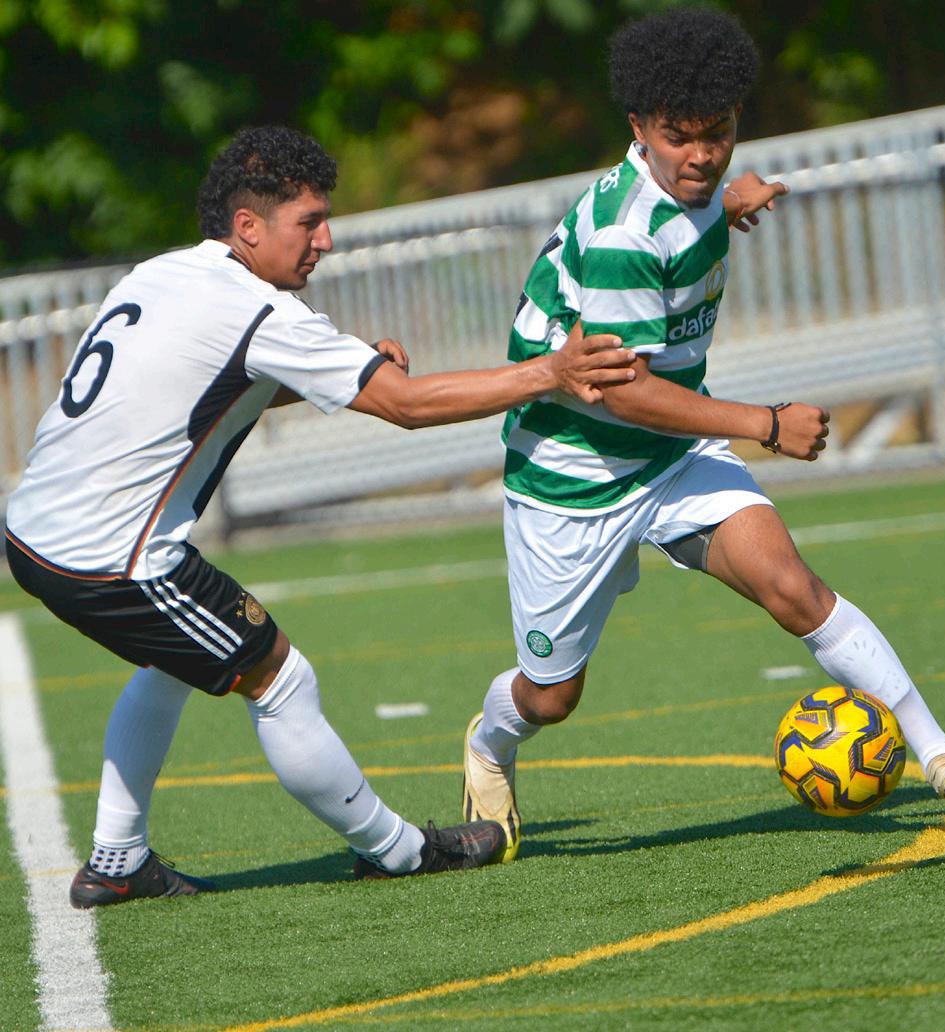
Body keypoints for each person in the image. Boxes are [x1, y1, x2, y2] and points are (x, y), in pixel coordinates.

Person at [3, 125, 637, 906]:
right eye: (309, 222)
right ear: (248, 226)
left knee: (173, 664)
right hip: (109, 559)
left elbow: (213, 381)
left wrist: (347, 371)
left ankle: (118, 860)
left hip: (34, 531)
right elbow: (406, 407)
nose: (326, 241)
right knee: (279, 675)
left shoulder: (162, 274)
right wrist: (551, 371)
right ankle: (401, 852)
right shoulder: (260, 311)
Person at [461, 6, 945, 863]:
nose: (702, 155)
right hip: (573, 476)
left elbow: (709, 202)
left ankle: (942, 757)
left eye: (717, 134)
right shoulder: (625, 235)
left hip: (675, 456)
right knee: (552, 697)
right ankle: (490, 743)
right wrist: (766, 425)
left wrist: (735, 197)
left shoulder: (703, 185)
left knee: (793, 587)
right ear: (638, 129)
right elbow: (626, 393)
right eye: (679, 137)